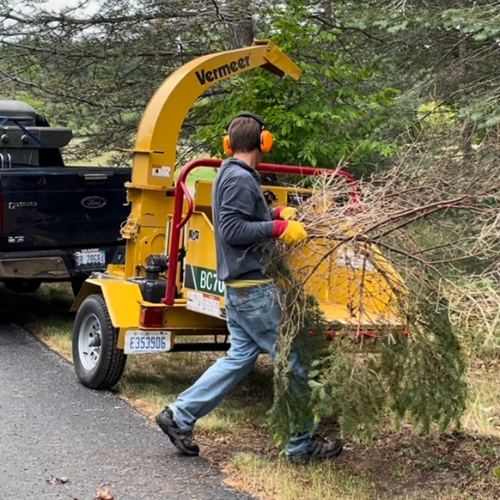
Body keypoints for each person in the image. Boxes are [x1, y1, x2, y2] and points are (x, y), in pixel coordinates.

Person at [156, 113, 343, 461]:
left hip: (241, 288)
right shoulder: (240, 179)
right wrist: (276, 231)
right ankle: (301, 444)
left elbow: (242, 221)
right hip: (254, 291)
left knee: (239, 359)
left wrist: (275, 214)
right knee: (295, 361)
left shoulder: (232, 175)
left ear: (229, 144)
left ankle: (178, 416)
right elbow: (232, 230)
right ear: (264, 142)